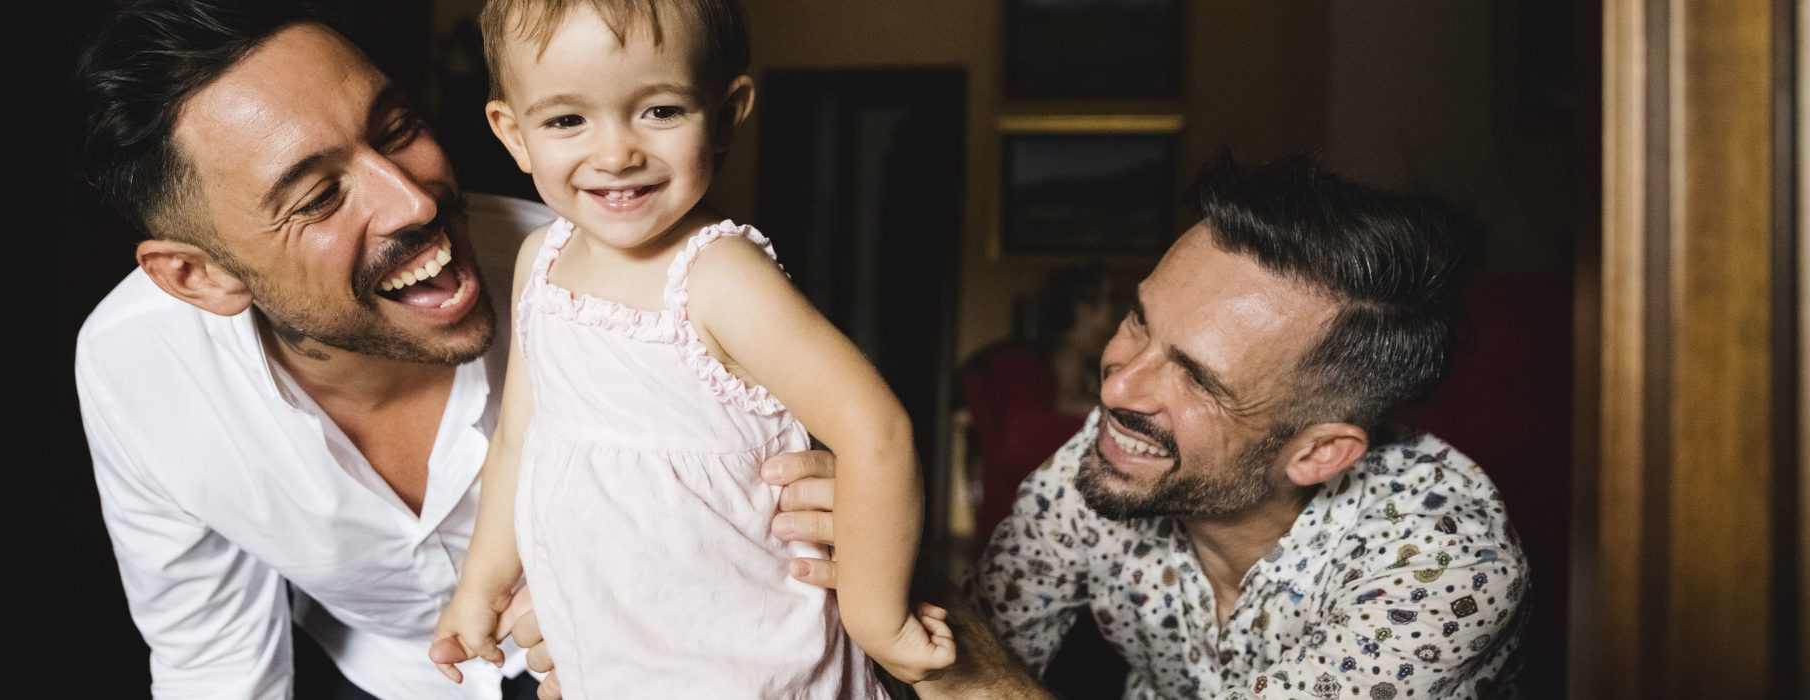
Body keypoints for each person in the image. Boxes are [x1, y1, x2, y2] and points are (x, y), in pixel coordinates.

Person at [69, 2, 833, 698]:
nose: (414, 199)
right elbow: (214, 665)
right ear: (198, 276)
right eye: (319, 198)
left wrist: (818, 511)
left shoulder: (619, 284)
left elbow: (780, 518)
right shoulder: (134, 369)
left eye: (397, 129)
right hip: (380, 678)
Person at [777, 154, 1531, 700]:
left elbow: (971, 668)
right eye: (1139, 320)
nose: (1120, 382)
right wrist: (889, 555)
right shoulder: (1106, 463)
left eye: (1198, 378)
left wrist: (956, 662)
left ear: (1320, 453)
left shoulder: (1444, 562)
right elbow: (979, 639)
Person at [426, 2, 954, 697]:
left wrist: (876, 614)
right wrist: (480, 588)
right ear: (514, 134)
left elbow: (875, 430)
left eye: (661, 111)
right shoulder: (540, 263)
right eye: (566, 120)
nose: (615, 153)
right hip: (615, 657)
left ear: (728, 111)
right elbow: (519, 440)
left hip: (753, 662)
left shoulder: (719, 277)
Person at [965, 263, 1116, 540]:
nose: (1113, 315)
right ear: (1082, 309)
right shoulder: (1067, 354)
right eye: (1107, 302)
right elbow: (1066, 404)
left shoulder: (1062, 355)